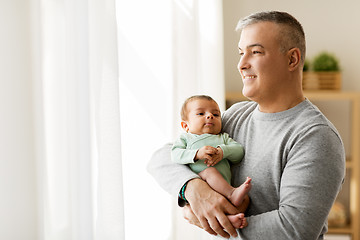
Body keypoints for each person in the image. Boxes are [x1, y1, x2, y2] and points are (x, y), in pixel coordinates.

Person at [148, 11, 345, 240]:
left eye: (255, 52)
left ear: (292, 59)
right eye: (241, 53)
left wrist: (211, 221)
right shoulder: (235, 116)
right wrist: (194, 190)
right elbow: (161, 158)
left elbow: (294, 230)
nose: (241, 64)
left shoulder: (316, 137)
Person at [172, 95, 251, 229]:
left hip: (221, 191)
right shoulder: (186, 138)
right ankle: (232, 194)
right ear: (185, 125)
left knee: (246, 201)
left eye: (216, 114)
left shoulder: (223, 138)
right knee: (210, 171)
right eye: (201, 113)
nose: (210, 116)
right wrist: (196, 154)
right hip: (201, 184)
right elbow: (175, 154)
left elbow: (239, 152)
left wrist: (222, 152)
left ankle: (231, 219)